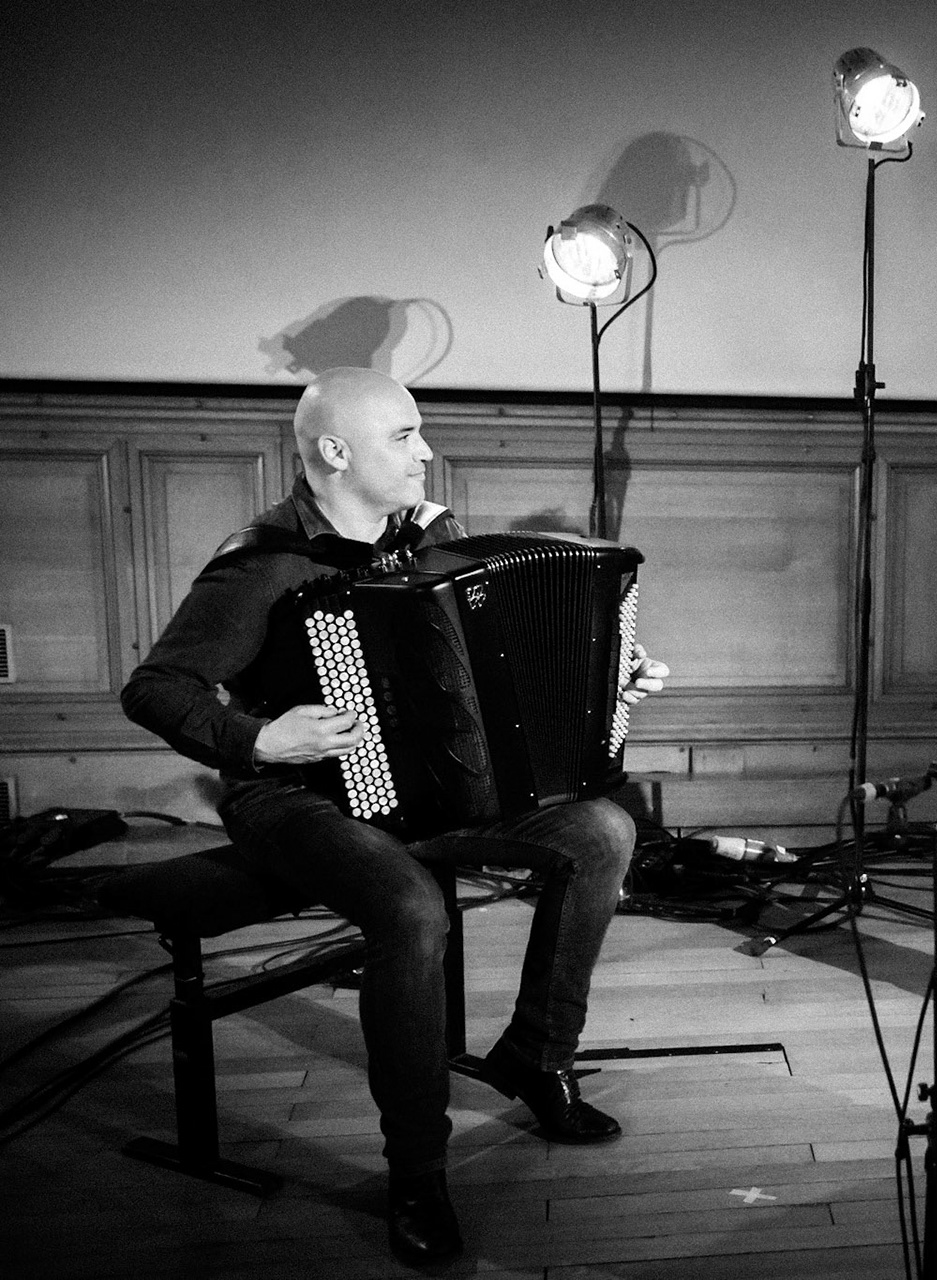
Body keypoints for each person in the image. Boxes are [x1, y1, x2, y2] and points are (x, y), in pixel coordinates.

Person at [121, 366, 670, 1263]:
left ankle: (537, 1055)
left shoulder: (428, 540)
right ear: (335, 453)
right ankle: (418, 1169)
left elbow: (492, 669)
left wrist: (610, 671)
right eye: (405, 436)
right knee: (412, 909)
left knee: (603, 831)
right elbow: (154, 689)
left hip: (429, 794)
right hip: (292, 798)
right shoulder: (265, 563)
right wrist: (259, 740)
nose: (427, 453)